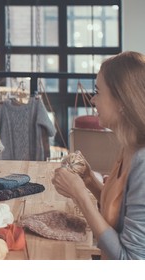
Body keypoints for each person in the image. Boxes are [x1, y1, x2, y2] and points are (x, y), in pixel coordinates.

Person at [52, 51, 145, 260]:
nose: (93, 99)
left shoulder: (142, 162)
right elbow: (119, 214)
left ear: (122, 101)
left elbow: (131, 261)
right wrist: (89, 181)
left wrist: (80, 196)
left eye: (98, 92)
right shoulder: (129, 146)